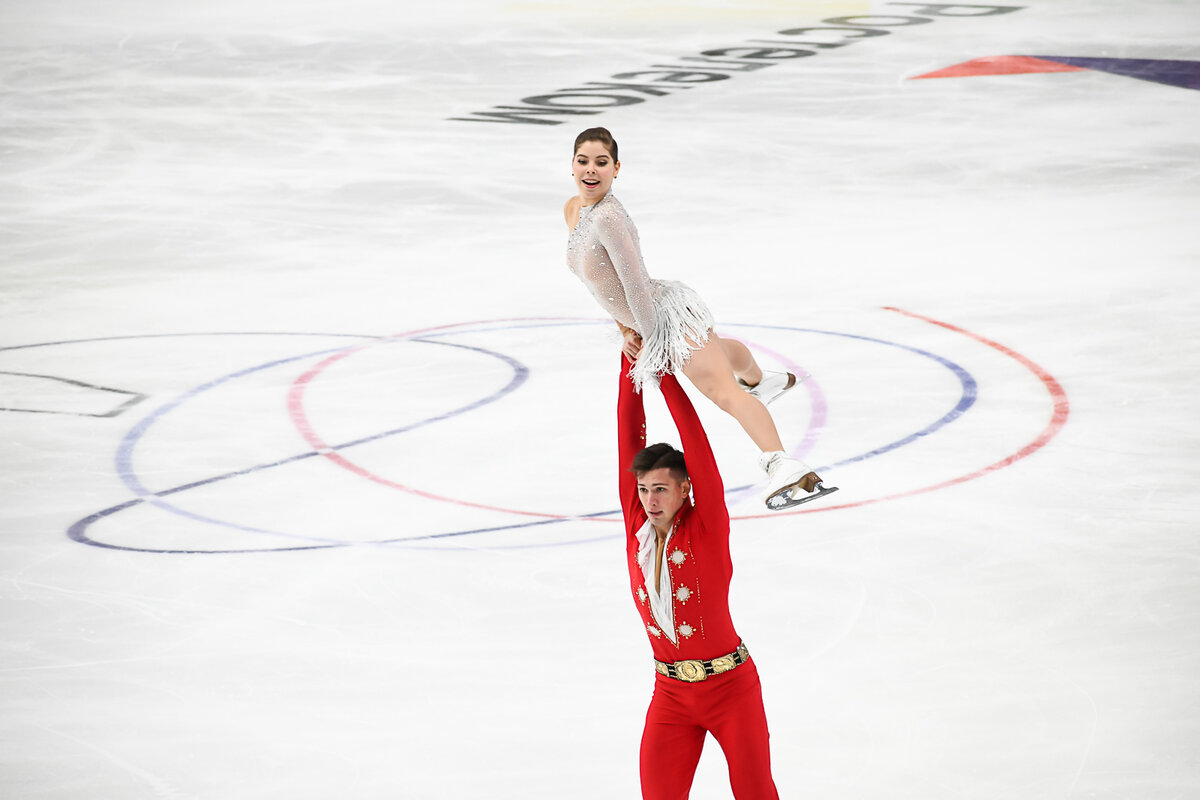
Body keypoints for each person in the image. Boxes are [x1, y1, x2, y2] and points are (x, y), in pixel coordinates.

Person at [565, 126, 834, 509]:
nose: (591, 170)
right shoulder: (574, 210)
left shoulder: (609, 218)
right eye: (583, 161)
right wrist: (623, 327)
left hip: (662, 319)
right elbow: (601, 287)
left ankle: (784, 465)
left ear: (616, 168)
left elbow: (635, 285)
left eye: (601, 163)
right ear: (572, 165)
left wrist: (651, 340)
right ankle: (762, 380)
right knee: (718, 355)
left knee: (723, 392)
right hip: (644, 319)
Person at [617, 353, 780, 799]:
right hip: (670, 694)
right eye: (644, 489)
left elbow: (697, 444)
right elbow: (628, 435)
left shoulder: (706, 525)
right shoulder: (639, 527)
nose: (650, 500)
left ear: (685, 488)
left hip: (731, 691)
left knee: (755, 792)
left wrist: (664, 374)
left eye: (662, 489)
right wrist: (630, 363)